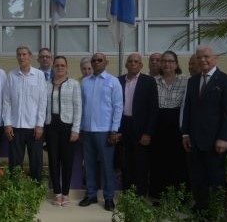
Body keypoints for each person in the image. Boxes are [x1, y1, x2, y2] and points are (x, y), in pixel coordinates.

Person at [182, 46, 227, 212]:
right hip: (194, 140)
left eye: (206, 57)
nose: (202, 60)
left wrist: (224, 138)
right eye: (199, 57)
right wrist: (185, 133)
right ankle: (200, 208)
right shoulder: (192, 81)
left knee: (215, 177)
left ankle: (216, 210)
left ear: (216, 58)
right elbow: (188, 109)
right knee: (197, 177)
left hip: (215, 141)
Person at [79, 52, 123, 211]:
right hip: (87, 130)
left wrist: (114, 130)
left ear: (106, 62)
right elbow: (82, 108)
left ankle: (109, 197)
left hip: (105, 131)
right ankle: (90, 195)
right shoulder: (85, 82)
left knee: (107, 166)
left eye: (99, 60)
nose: (96, 63)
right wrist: (80, 128)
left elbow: (118, 107)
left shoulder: (113, 81)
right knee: (89, 165)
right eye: (94, 60)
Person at [3, 46, 47, 182]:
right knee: (15, 163)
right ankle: (15, 190)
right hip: (15, 127)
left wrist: (40, 125)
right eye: (19, 55)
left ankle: (36, 189)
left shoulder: (39, 76)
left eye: (24, 54)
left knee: (36, 162)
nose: (21, 57)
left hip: (34, 128)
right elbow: (6, 102)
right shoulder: (11, 75)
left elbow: (42, 101)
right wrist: (7, 123)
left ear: (30, 56)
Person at [149, 50, 189, 199]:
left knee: (178, 163)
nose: (167, 64)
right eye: (164, 61)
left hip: (177, 127)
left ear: (176, 64)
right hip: (158, 126)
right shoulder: (152, 81)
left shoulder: (186, 81)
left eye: (171, 61)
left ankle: (178, 197)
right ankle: (159, 196)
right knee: (159, 162)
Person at [117, 53, 158, 196]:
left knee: (140, 163)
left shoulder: (149, 81)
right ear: (126, 64)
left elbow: (153, 109)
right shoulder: (119, 80)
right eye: (130, 61)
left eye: (136, 61)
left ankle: (140, 195)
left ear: (141, 65)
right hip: (123, 126)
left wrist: (148, 133)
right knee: (125, 163)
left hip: (140, 128)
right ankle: (127, 193)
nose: (133, 63)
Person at [44, 56, 82, 206]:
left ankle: (66, 193)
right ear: (53, 67)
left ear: (66, 68)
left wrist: (76, 129)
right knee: (53, 160)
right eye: (57, 65)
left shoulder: (73, 84)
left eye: (62, 65)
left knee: (67, 161)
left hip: (67, 127)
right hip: (50, 126)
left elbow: (78, 108)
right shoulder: (47, 85)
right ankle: (57, 193)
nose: (59, 68)